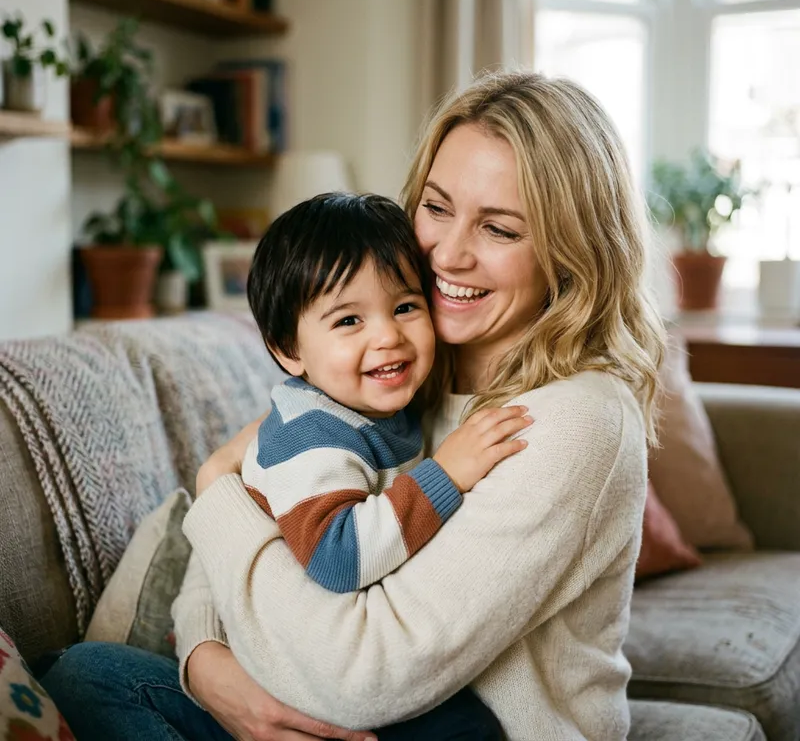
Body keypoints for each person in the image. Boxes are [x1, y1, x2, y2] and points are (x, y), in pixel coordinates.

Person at [41, 69, 665, 741]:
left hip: (453, 725)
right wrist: (208, 664)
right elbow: (235, 539)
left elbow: (362, 675)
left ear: (573, 250)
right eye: (436, 207)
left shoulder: (570, 420)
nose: (449, 255)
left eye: (500, 229)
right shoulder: (391, 366)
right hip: (313, 692)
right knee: (82, 674)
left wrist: (215, 489)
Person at [241, 192, 530, 600]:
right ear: (289, 350)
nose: (388, 336)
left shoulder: (374, 407)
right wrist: (445, 474)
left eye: (404, 307)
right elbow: (339, 560)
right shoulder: (312, 436)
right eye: (348, 320)